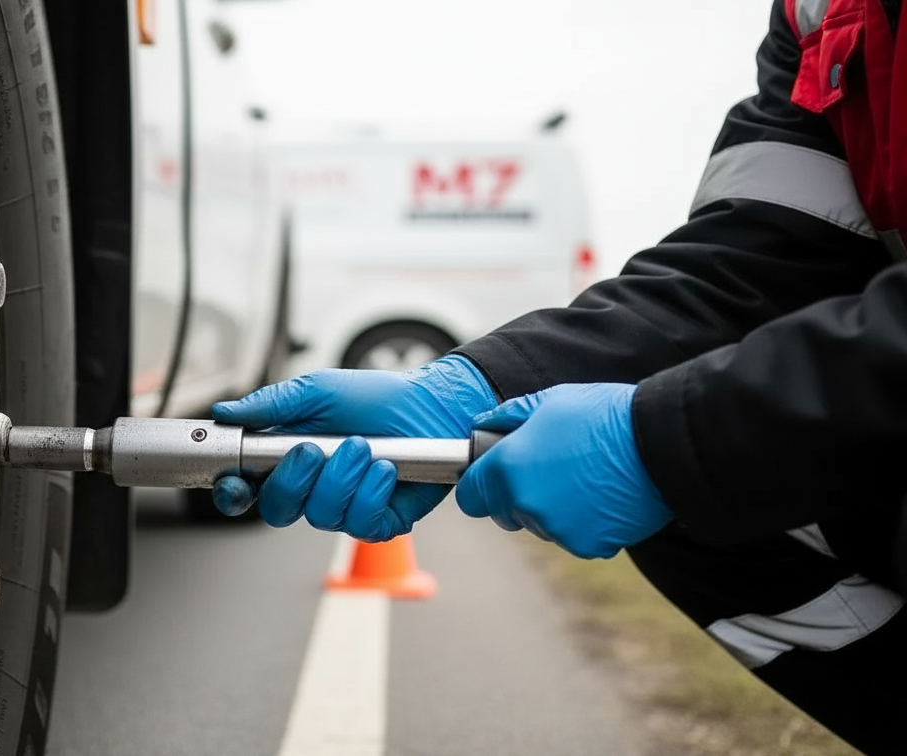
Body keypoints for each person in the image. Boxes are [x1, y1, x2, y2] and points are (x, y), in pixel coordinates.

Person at [210, 1, 907, 753]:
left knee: (701, 481)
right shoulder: (827, 12)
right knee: (696, 505)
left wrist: (676, 437)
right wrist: (477, 386)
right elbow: (752, 266)